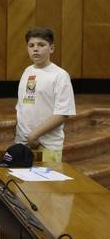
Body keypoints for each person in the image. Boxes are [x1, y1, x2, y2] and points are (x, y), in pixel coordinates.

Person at [14, 27, 76, 162]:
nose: (35, 49)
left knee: (44, 183)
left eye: (41, 45)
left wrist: (34, 135)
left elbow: (62, 113)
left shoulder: (60, 75)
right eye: (31, 45)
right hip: (22, 142)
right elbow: (22, 106)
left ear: (51, 48)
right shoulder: (27, 71)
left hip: (47, 145)